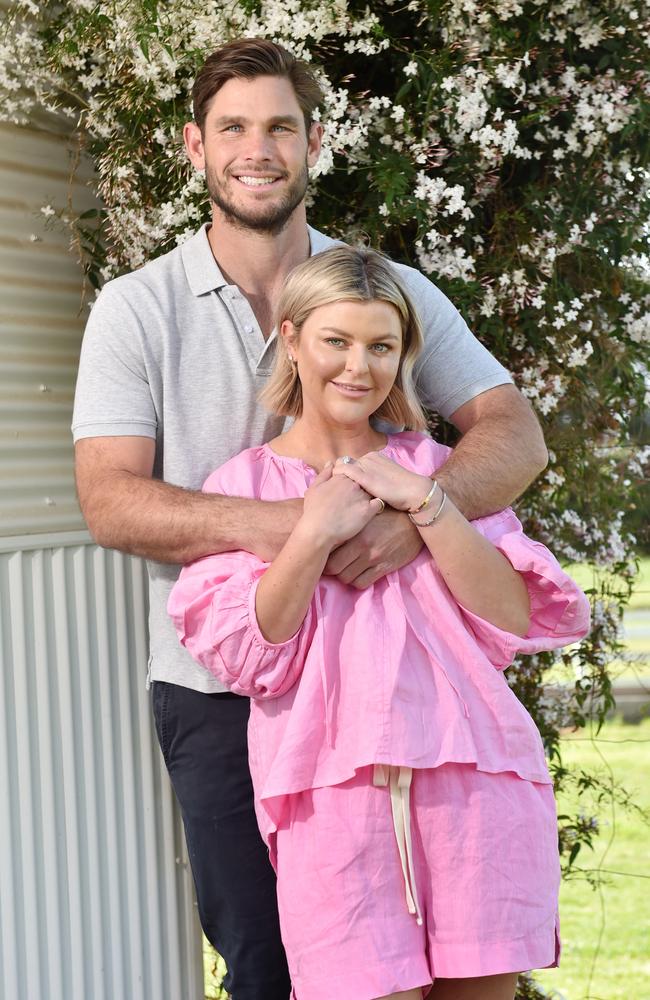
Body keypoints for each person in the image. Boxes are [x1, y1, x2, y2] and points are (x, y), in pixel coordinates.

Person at [72, 37, 549, 1000]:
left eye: (280, 126)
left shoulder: (386, 289)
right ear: (194, 148)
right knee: (274, 966)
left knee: (458, 952)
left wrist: (415, 518)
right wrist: (308, 531)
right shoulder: (136, 310)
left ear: (315, 142)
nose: (259, 148)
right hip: (223, 685)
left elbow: (514, 434)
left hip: (405, 684)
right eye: (234, 128)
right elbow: (110, 500)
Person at [168, 245, 591, 1000]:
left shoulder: (435, 467)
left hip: (476, 790)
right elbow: (250, 656)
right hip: (332, 808)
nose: (358, 367)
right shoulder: (245, 486)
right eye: (336, 341)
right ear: (292, 339)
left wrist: (426, 502)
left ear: (404, 356)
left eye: (381, 346)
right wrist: (311, 531)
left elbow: (510, 615)